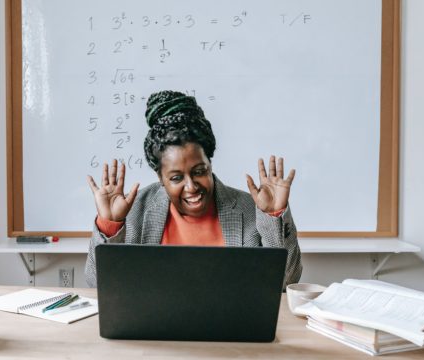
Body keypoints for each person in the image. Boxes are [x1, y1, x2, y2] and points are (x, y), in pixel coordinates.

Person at [85, 90, 302, 288]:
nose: (191, 187)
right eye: (177, 177)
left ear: (210, 164)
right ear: (160, 177)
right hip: (155, 329)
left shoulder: (250, 209)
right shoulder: (134, 212)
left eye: (199, 171)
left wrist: (274, 216)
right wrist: (110, 226)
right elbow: (97, 285)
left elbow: (286, 282)